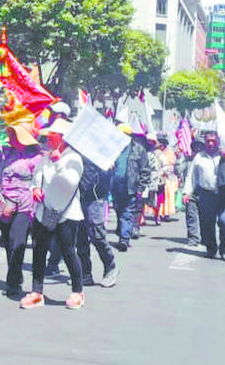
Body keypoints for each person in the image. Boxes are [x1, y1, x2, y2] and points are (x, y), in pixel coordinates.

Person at [21, 118, 85, 310]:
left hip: (66, 213)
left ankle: (77, 291)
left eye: (52, 135)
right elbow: (36, 178)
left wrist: (58, 163)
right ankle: (37, 291)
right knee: (39, 250)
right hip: (44, 210)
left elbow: (70, 182)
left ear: (63, 138)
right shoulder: (45, 157)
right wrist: (34, 190)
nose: (48, 138)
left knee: (68, 251)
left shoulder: (74, 158)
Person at [0, 122, 41, 299]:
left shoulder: (36, 158)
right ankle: (16, 275)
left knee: (17, 242)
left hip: (24, 206)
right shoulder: (6, 152)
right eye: (11, 135)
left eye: (15, 135)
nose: (11, 138)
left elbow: (44, 175)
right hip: (4, 204)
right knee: (8, 242)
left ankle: (13, 282)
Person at [182, 131, 225, 261]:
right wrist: (187, 192)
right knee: (207, 223)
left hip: (223, 195)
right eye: (208, 141)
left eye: (213, 140)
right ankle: (211, 248)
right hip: (206, 194)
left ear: (218, 141)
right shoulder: (199, 157)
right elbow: (191, 176)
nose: (211, 143)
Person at [76, 155, 119, 288]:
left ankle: (110, 267)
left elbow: (111, 172)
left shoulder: (99, 151)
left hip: (95, 197)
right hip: (77, 195)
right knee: (80, 236)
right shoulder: (73, 148)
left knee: (97, 234)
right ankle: (85, 273)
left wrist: (109, 167)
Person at [111, 124, 150, 251]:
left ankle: (124, 239)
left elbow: (145, 170)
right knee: (118, 210)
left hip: (131, 188)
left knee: (128, 212)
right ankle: (122, 231)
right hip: (115, 187)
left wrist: (140, 188)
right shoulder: (112, 148)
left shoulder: (138, 149)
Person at [183, 139, 205, 247]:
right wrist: (186, 192)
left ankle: (206, 237)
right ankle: (193, 238)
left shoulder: (208, 159)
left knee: (205, 217)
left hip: (205, 192)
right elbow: (188, 176)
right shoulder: (188, 160)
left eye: (200, 146)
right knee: (191, 215)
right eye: (196, 146)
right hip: (192, 191)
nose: (198, 148)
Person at [155, 134, 178, 223]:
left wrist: (165, 170)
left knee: (168, 195)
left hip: (168, 177)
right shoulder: (157, 152)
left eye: (161, 144)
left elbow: (171, 164)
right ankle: (159, 213)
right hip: (159, 177)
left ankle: (166, 213)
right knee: (159, 196)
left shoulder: (170, 152)